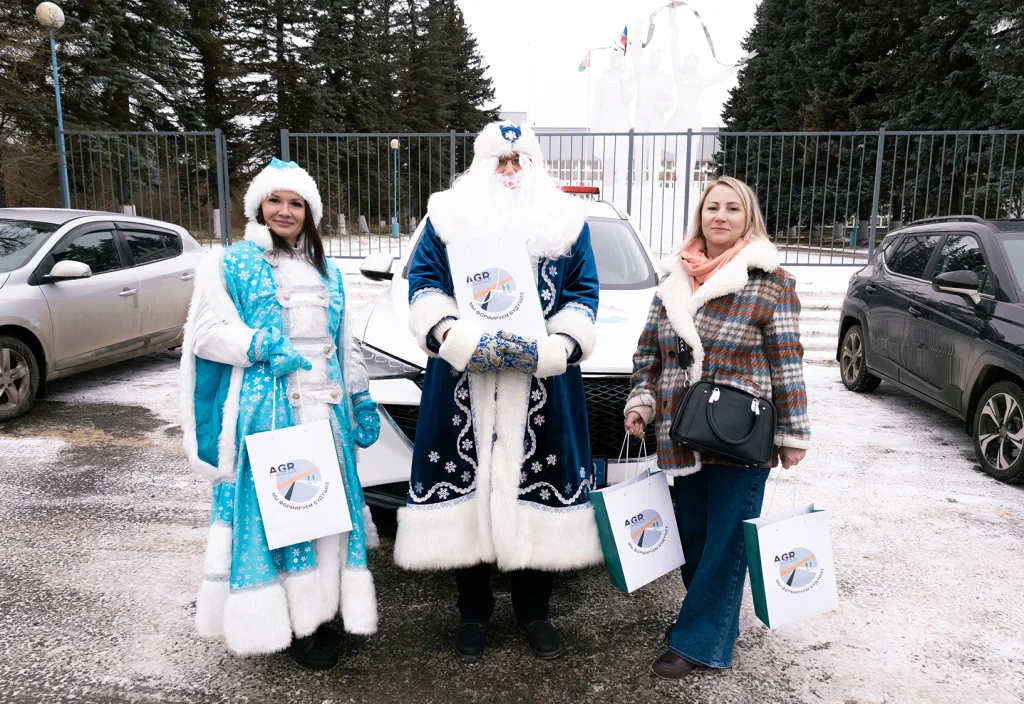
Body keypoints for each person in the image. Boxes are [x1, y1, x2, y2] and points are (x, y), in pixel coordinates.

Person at [393, 121, 602, 662]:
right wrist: (454, 338)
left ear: (533, 168)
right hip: (464, 376)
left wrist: (555, 348)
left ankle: (534, 612)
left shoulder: (566, 225)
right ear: (481, 168)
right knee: (468, 489)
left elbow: (583, 294)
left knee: (537, 486)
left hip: (542, 385)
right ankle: (473, 613)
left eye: (519, 161)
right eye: (500, 161)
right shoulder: (447, 219)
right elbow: (424, 287)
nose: (509, 171)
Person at [180, 158, 381, 670]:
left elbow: (343, 345)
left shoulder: (328, 269)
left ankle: (321, 611)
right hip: (267, 412)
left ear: (309, 212)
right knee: (283, 516)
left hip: (327, 412)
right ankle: (293, 625)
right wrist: (260, 343)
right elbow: (205, 334)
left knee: (326, 513)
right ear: (258, 207)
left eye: (296, 203)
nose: (285, 211)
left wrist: (359, 398)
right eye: (276, 201)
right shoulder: (230, 263)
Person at [623, 175, 811, 679]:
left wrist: (792, 433)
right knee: (691, 536)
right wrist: (641, 401)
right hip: (680, 437)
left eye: (732, 208)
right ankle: (704, 620)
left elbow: (787, 363)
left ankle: (701, 640)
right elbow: (647, 355)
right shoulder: (672, 284)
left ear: (748, 217)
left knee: (727, 542)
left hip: (740, 435)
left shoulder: (770, 283)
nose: (720, 216)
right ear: (700, 217)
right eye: (712, 208)